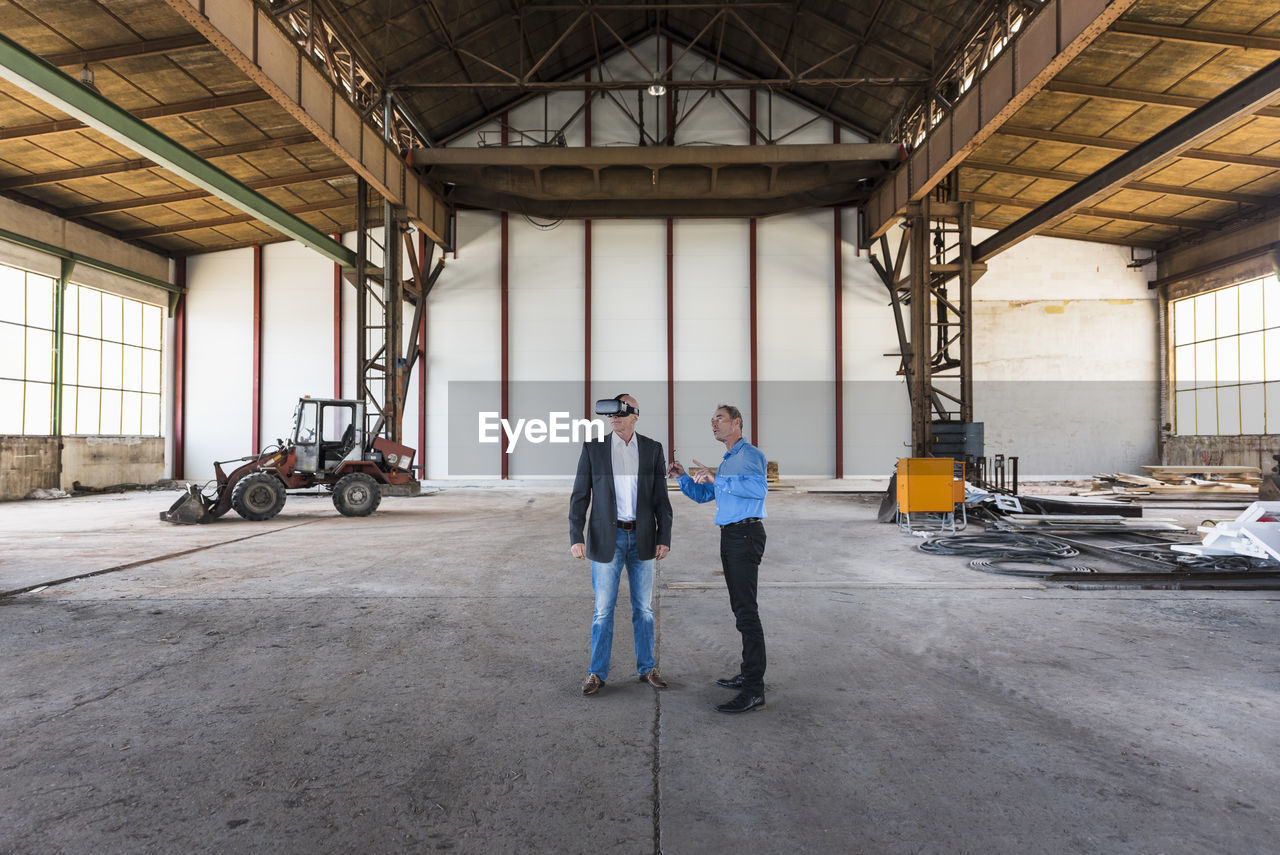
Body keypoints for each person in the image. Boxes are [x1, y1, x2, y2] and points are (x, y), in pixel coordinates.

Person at [569, 394, 673, 697]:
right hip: (606, 539)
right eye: (610, 414)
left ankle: (647, 668)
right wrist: (576, 534)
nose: (614, 418)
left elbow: (661, 501)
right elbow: (579, 496)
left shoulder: (652, 450)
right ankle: (596, 673)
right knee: (603, 610)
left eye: (620, 413)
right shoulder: (594, 450)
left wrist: (663, 537)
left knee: (644, 609)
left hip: (642, 538)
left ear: (634, 416)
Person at [668, 404, 768, 714]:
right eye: (711, 419)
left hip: (745, 535)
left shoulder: (749, 456)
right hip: (731, 536)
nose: (713, 423)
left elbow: (758, 488)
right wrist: (684, 477)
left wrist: (716, 478)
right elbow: (703, 496)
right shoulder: (727, 462)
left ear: (737, 423)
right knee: (740, 608)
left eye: (720, 418)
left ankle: (754, 690)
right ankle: (748, 673)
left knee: (746, 611)